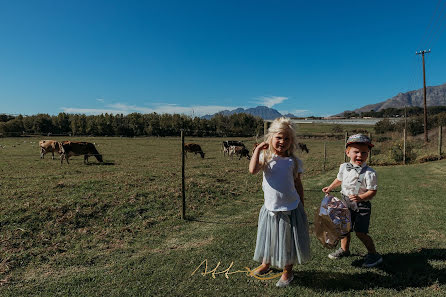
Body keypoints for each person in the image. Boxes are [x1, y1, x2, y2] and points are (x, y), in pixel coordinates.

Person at [249, 117, 311, 287]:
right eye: (278, 137)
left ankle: (287, 271)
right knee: (268, 237)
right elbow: (253, 170)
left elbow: (298, 184)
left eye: (286, 138)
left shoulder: (293, 161)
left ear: (291, 141)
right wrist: (258, 150)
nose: (282, 141)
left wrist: (302, 205)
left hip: (290, 208)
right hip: (270, 207)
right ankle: (266, 263)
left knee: (287, 241)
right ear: (271, 138)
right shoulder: (266, 158)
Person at [322, 134, 383, 268]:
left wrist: (361, 197)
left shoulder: (369, 173)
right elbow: (340, 179)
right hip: (344, 202)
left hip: (361, 206)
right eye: (356, 152)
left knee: (361, 232)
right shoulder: (344, 167)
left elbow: (373, 191)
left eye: (364, 152)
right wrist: (331, 187)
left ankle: (373, 254)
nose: (360, 155)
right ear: (348, 152)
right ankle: (345, 250)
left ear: (368, 153)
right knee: (345, 228)